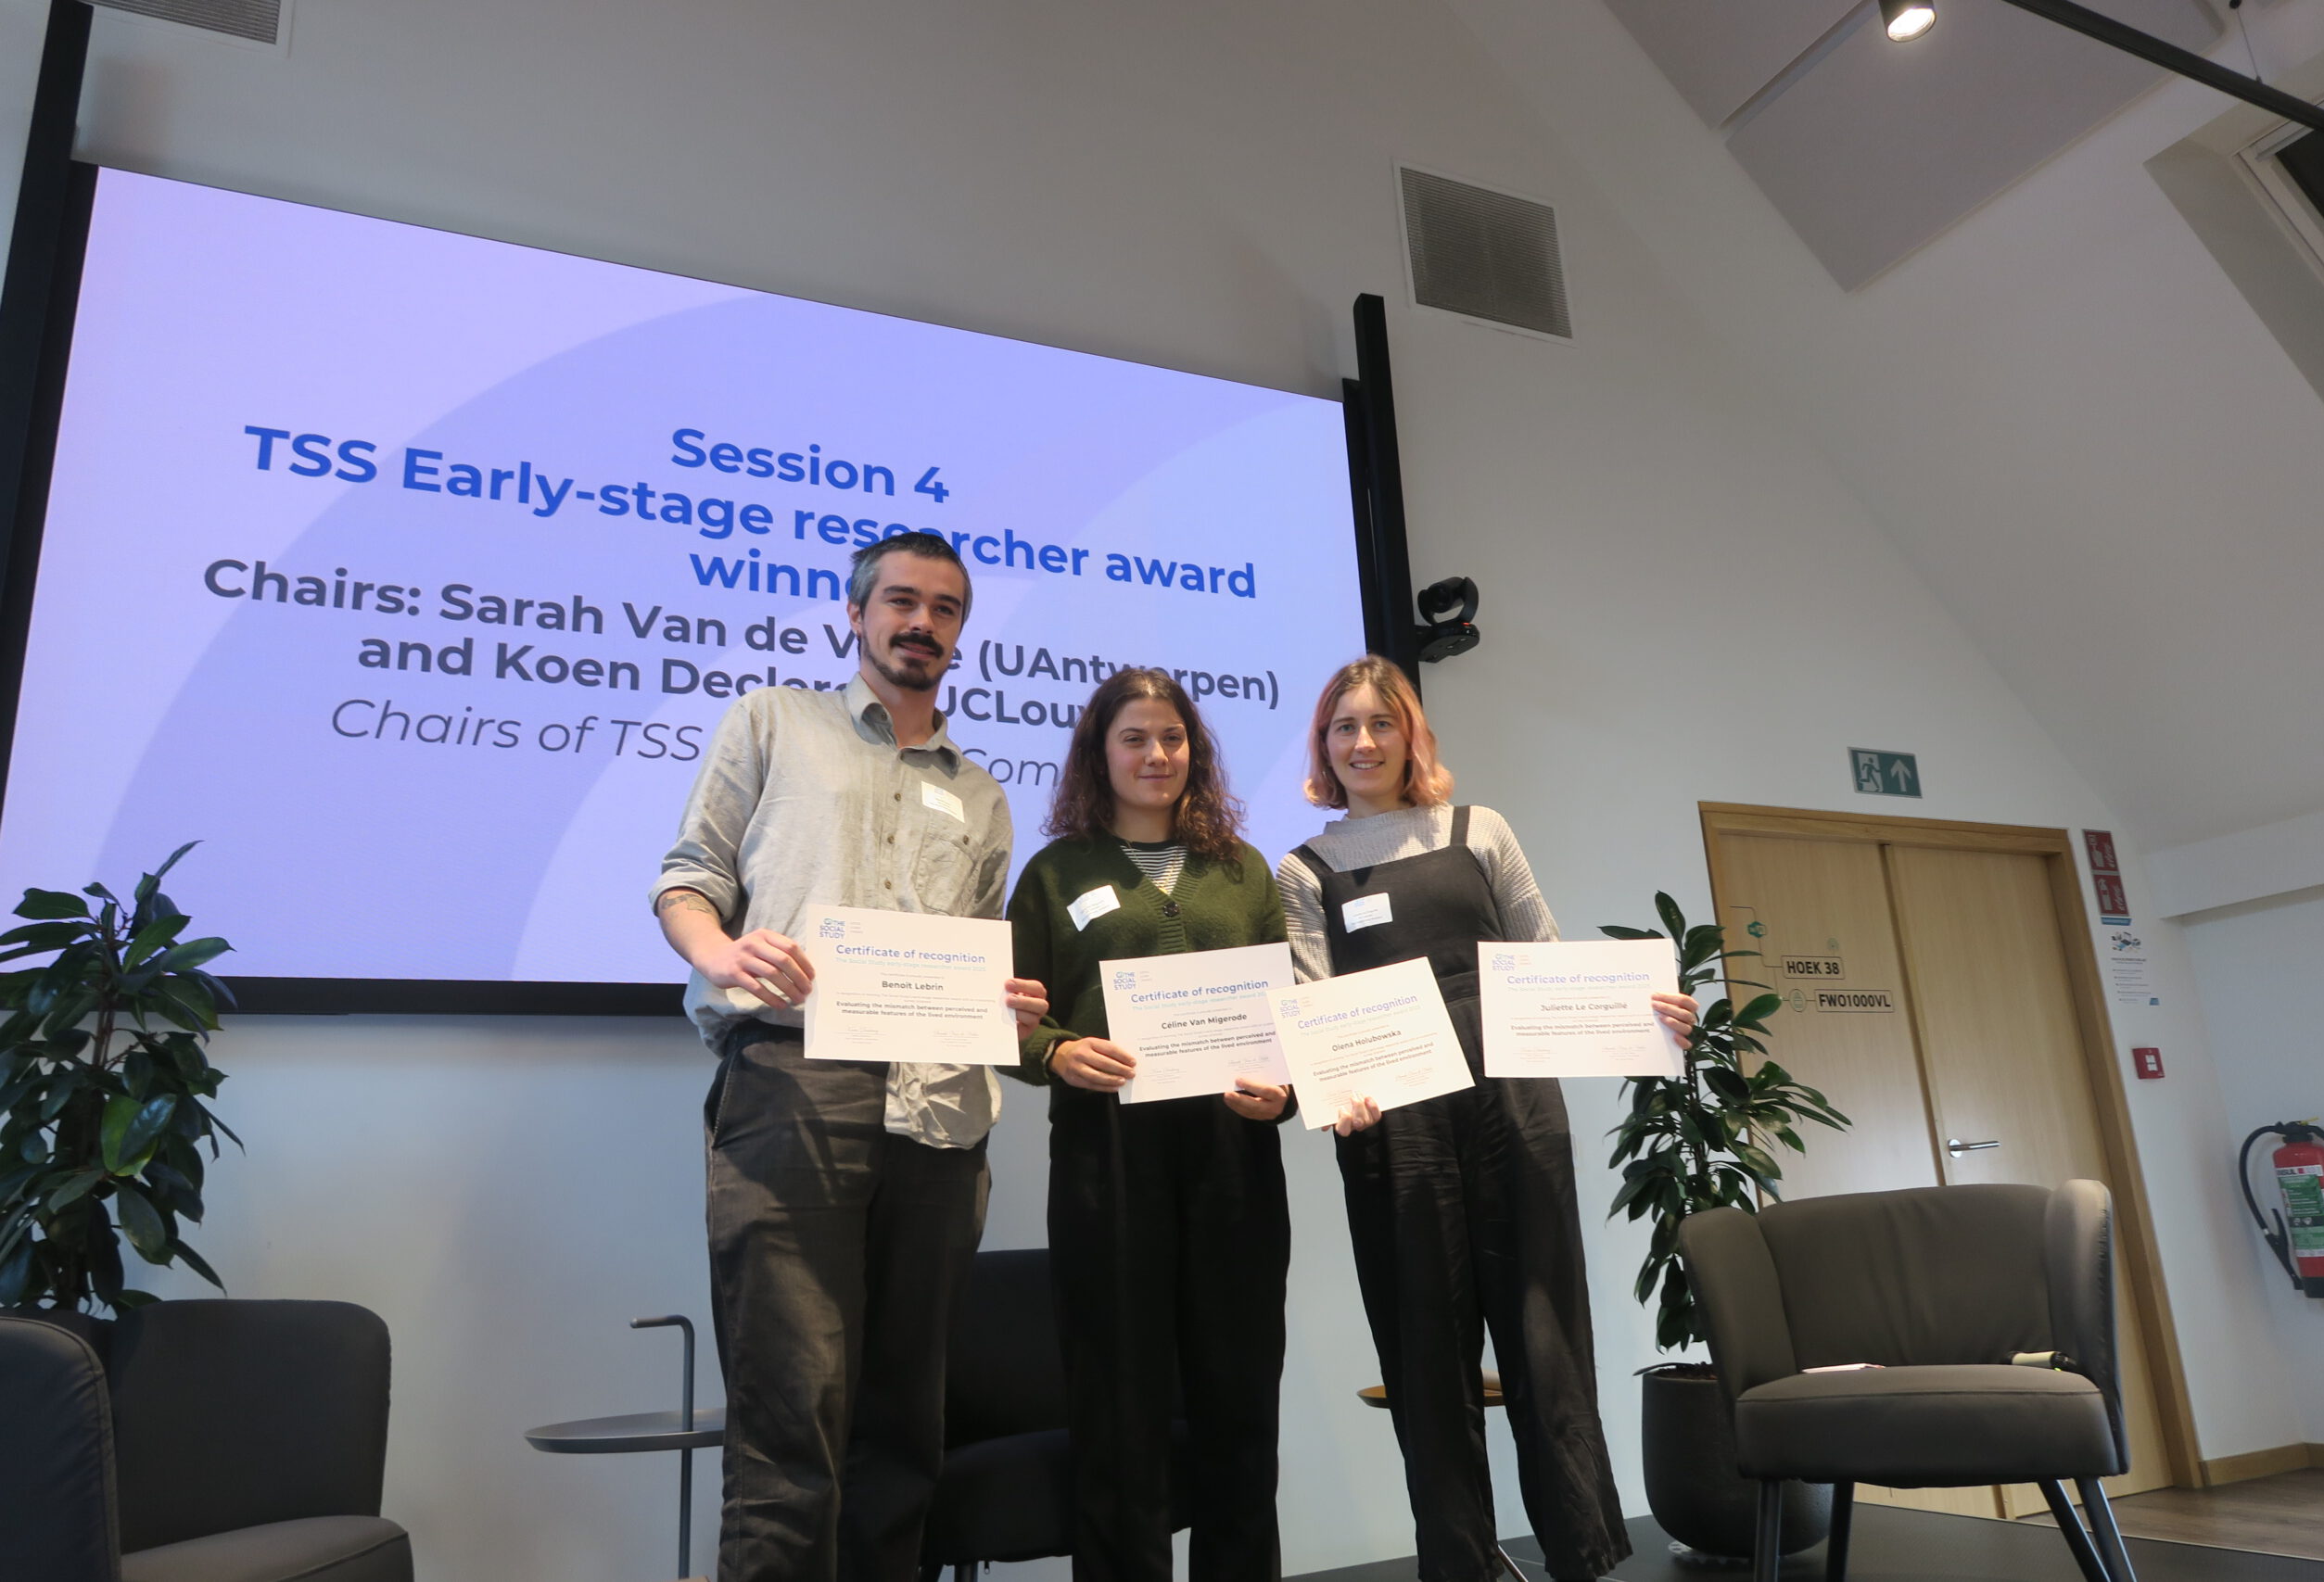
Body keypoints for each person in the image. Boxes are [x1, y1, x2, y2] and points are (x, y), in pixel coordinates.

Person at [651, 533, 1050, 1582]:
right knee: (792, 1415)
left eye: (945, 609)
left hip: (941, 1112)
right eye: (902, 601)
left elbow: (974, 951)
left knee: (904, 1425)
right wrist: (721, 950)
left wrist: (1000, 1009)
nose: (922, 623)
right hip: (795, 1086)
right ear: (856, 614)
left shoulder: (984, 795)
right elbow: (688, 878)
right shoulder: (772, 721)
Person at [1276, 655, 1697, 1582]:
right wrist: (1334, 1088)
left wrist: (1649, 1016)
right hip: (1393, 1124)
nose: (1362, 742)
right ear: (1323, 746)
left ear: (1411, 736)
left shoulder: (1480, 830)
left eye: (1380, 723)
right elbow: (1313, 1007)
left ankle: (1580, 1554)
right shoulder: (1302, 870)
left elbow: (1548, 960)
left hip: (1513, 1104)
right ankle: (1459, 1564)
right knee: (1425, 1352)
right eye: (1343, 727)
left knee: (1546, 1334)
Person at [1003, 667, 1294, 1582]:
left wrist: (1284, 1090)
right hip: (1108, 1155)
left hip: (1233, 1155)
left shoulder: (1243, 870)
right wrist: (1055, 1052)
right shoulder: (1054, 874)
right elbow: (1003, 1019)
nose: (1156, 754)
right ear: (1100, 754)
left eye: (1172, 738)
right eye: (1133, 738)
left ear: (1194, 753)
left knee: (1239, 1399)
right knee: (1117, 1401)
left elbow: (1289, 1014)